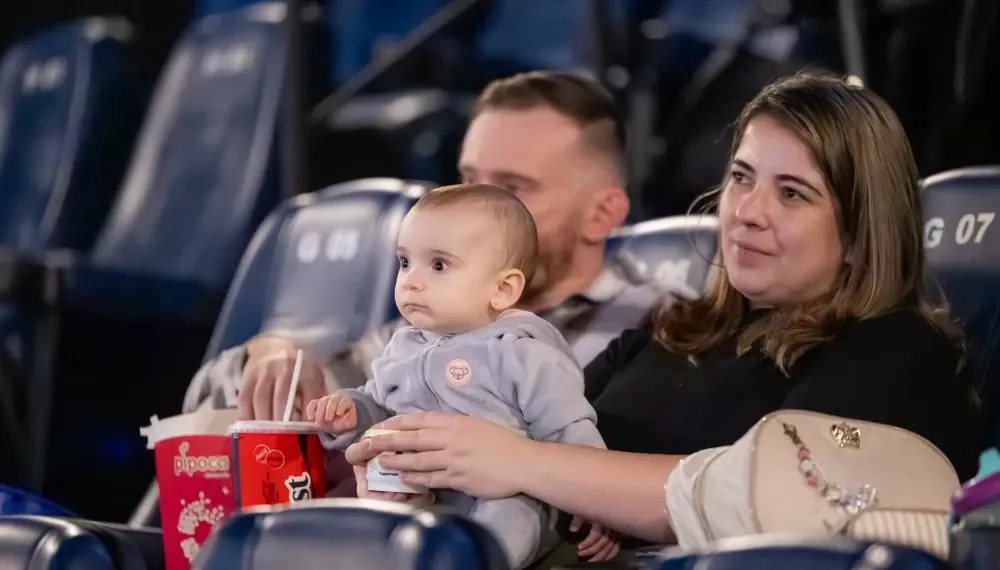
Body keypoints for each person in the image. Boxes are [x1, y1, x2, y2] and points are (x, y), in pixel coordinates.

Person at [342, 71, 984, 546]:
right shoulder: (673, 327)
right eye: (741, 177)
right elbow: (545, 445)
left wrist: (520, 463)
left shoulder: (897, 351)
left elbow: (760, 494)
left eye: (792, 193)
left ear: (860, 231)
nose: (749, 210)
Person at [182, 71, 658, 422]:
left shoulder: (662, 328)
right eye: (469, 180)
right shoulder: (430, 317)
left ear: (602, 214)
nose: (473, 207)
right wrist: (273, 354)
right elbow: (210, 403)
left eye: (513, 188)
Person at [307, 183, 616, 568]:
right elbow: (380, 405)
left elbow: (570, 430)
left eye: (439, 265)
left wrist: (597, 501)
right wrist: (352, 412)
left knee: (510, 513)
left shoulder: (524, 354)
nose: (412, 280)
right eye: (405, 262)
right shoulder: (403, 348)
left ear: (503, 289)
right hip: (421, 493)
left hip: (507, 493)